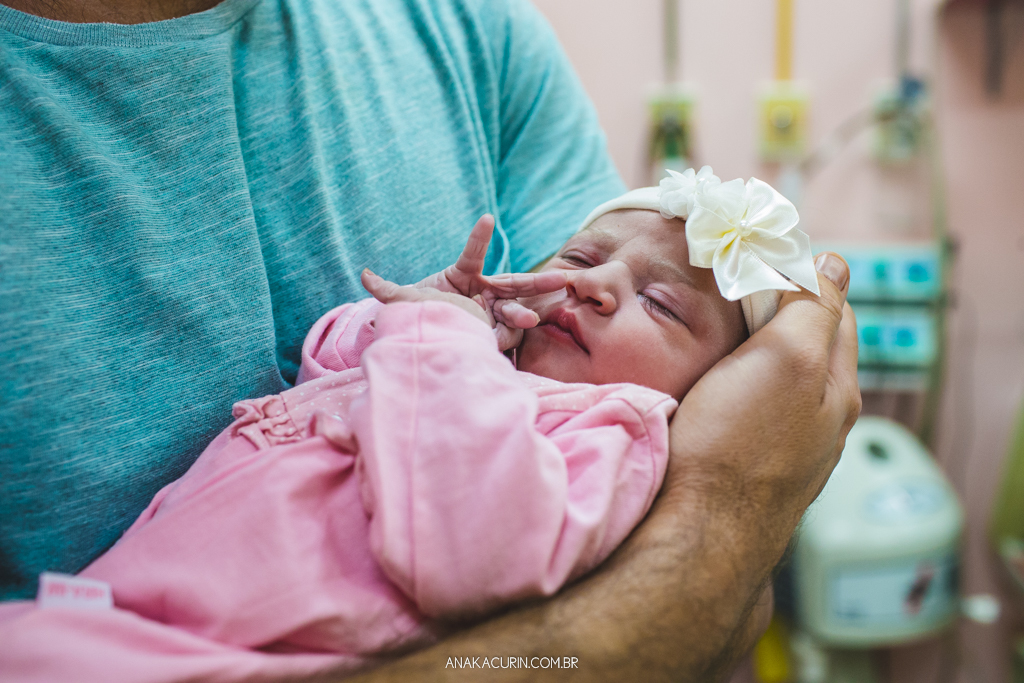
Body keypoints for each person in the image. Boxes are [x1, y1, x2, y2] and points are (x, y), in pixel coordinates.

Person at [0, 0, 861, 679]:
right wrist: (412, 318)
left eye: (663, 307)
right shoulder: (489, 365)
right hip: (109, 611)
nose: (595, 284)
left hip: (214, 652)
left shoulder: (609, 437)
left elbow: (475, 546)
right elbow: (326, 375)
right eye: (581, 256)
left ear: (704, 392)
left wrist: (435, 341)